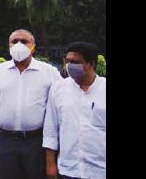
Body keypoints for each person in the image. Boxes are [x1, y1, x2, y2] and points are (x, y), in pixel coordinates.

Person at [0, 30, 62, 179]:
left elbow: (60, 102)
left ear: (33, 47)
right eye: (14, 41)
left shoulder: (49, 72)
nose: (18, 45)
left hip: (36, 141)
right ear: (9, 46)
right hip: (7, 140)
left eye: (24, 41)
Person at [43, 42, 106, 179]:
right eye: (68, 61)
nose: (69, 66)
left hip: (100, 170)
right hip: (69, 169)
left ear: (91, 64)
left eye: (75, 62)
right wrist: (50, 164)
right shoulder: (58, 89)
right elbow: (50, 130)